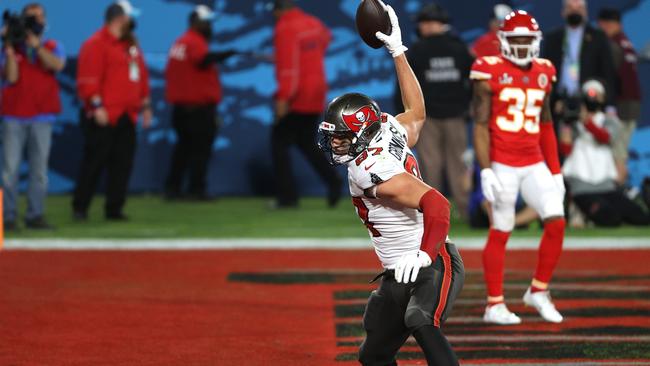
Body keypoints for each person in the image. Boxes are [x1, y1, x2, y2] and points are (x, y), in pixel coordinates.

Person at [318, 4, 463, 365]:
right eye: (334, 137)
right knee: (374, 355)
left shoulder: (367, 171)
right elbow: (416, 113)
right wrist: (398, 51)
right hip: (398, 268)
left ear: (363, 136)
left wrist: (426, 253)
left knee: (420, 320)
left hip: (432, 259)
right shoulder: (385, 131)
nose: (337, 144)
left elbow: (439, 204)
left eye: (343, 138)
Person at [471, 11, 566, 325]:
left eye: (528, 39)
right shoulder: (489, 71)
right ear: (503, 41)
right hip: (503, 163)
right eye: (517, 40)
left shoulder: (545, 71)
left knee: (556, 221)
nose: (523, 46)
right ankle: (493, 304)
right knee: (502, 228)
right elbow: (481, 125)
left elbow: (547, 125)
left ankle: (538, 291)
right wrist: (485, 169)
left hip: (534, 160)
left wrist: (555, 170)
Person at [73, 0, 151, 221]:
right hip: (105, 114)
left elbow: (142, 76)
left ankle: (114, 208)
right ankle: (81, 206)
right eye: (129, 17)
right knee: (94, 162)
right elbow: (88, 78)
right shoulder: (96, 43)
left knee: (123, 164)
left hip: (128, 113)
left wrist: (145, 105)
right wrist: (96, 105)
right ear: (119, 18)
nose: (132, 21)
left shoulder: (131, 45)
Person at [394, 3, 473, 219]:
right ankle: (466, 211)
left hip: (426, 118)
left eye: (426, 23)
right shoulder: (459, 48)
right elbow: (473, 81)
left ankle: (431, 212)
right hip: (453, 115)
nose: (424, 27)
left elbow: (404, 85)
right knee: (458, 164)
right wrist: (468, 106)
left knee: (431, 167)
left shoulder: (419, 50)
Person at [271, 0, 341, 208]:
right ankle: (333, 181)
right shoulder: (314, 23)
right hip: (317, 92)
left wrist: (284, 99)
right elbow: (326, 40)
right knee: (305, 142)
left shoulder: (284, 28)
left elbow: (289, 70)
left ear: (279, 10)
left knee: (278, 143)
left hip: (298, 95)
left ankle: (287, 198)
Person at [0, 3, 65, 230]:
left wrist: (37, 47)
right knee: (9, 171)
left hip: (42, 117)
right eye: (30, 18)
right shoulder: (10, 48)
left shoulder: (52, 45)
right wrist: (9, 47)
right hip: (14, 116)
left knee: (39, 172)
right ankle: (8, 216)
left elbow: (57, 65)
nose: (33, 23)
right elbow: (12, 77)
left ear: (45, 22)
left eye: (37, 18)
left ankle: (35, 215)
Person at [164, 5, 235, 200]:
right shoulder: (193, 41)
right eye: (207, 22)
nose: (210, 26)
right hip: (197, 109)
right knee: (199, 151)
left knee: (183, 150)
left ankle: (173, 188)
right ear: (196, 23)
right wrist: (222, 55)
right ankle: (196, 189)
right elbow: (201, 60)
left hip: (182, 108)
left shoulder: (180, 41)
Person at [561, 80, 650, 227]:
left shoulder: (610, 121)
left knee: (641, 217)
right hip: (581, 187)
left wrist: (586, 121)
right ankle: (579, 211)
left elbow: (605, 138)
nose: (592, 99)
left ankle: (585, 215)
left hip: (606, 186)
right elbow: (566, 150)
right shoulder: (572, 121)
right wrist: (567, 122)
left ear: (603, 98)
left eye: (596, 95)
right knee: (610, 219)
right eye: (589, 95)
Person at [542, 0, 616, 123]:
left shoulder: (598, 37)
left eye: (579, 8)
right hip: (558, 104)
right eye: (570, 7)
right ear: (563, 12)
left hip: (589, 103)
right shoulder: (553, 38)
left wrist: (609, 105)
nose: (574, 11)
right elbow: (545, 72)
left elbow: (608, 72)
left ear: (585, 12)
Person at [597, 8, 642, 185]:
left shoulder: (613, 45)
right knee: (619, 152)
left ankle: (618, 194)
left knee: (617, 153)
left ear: (606, 24)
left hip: (622, 105)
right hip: (631, 104)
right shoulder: (625, 42)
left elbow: (610, 77)